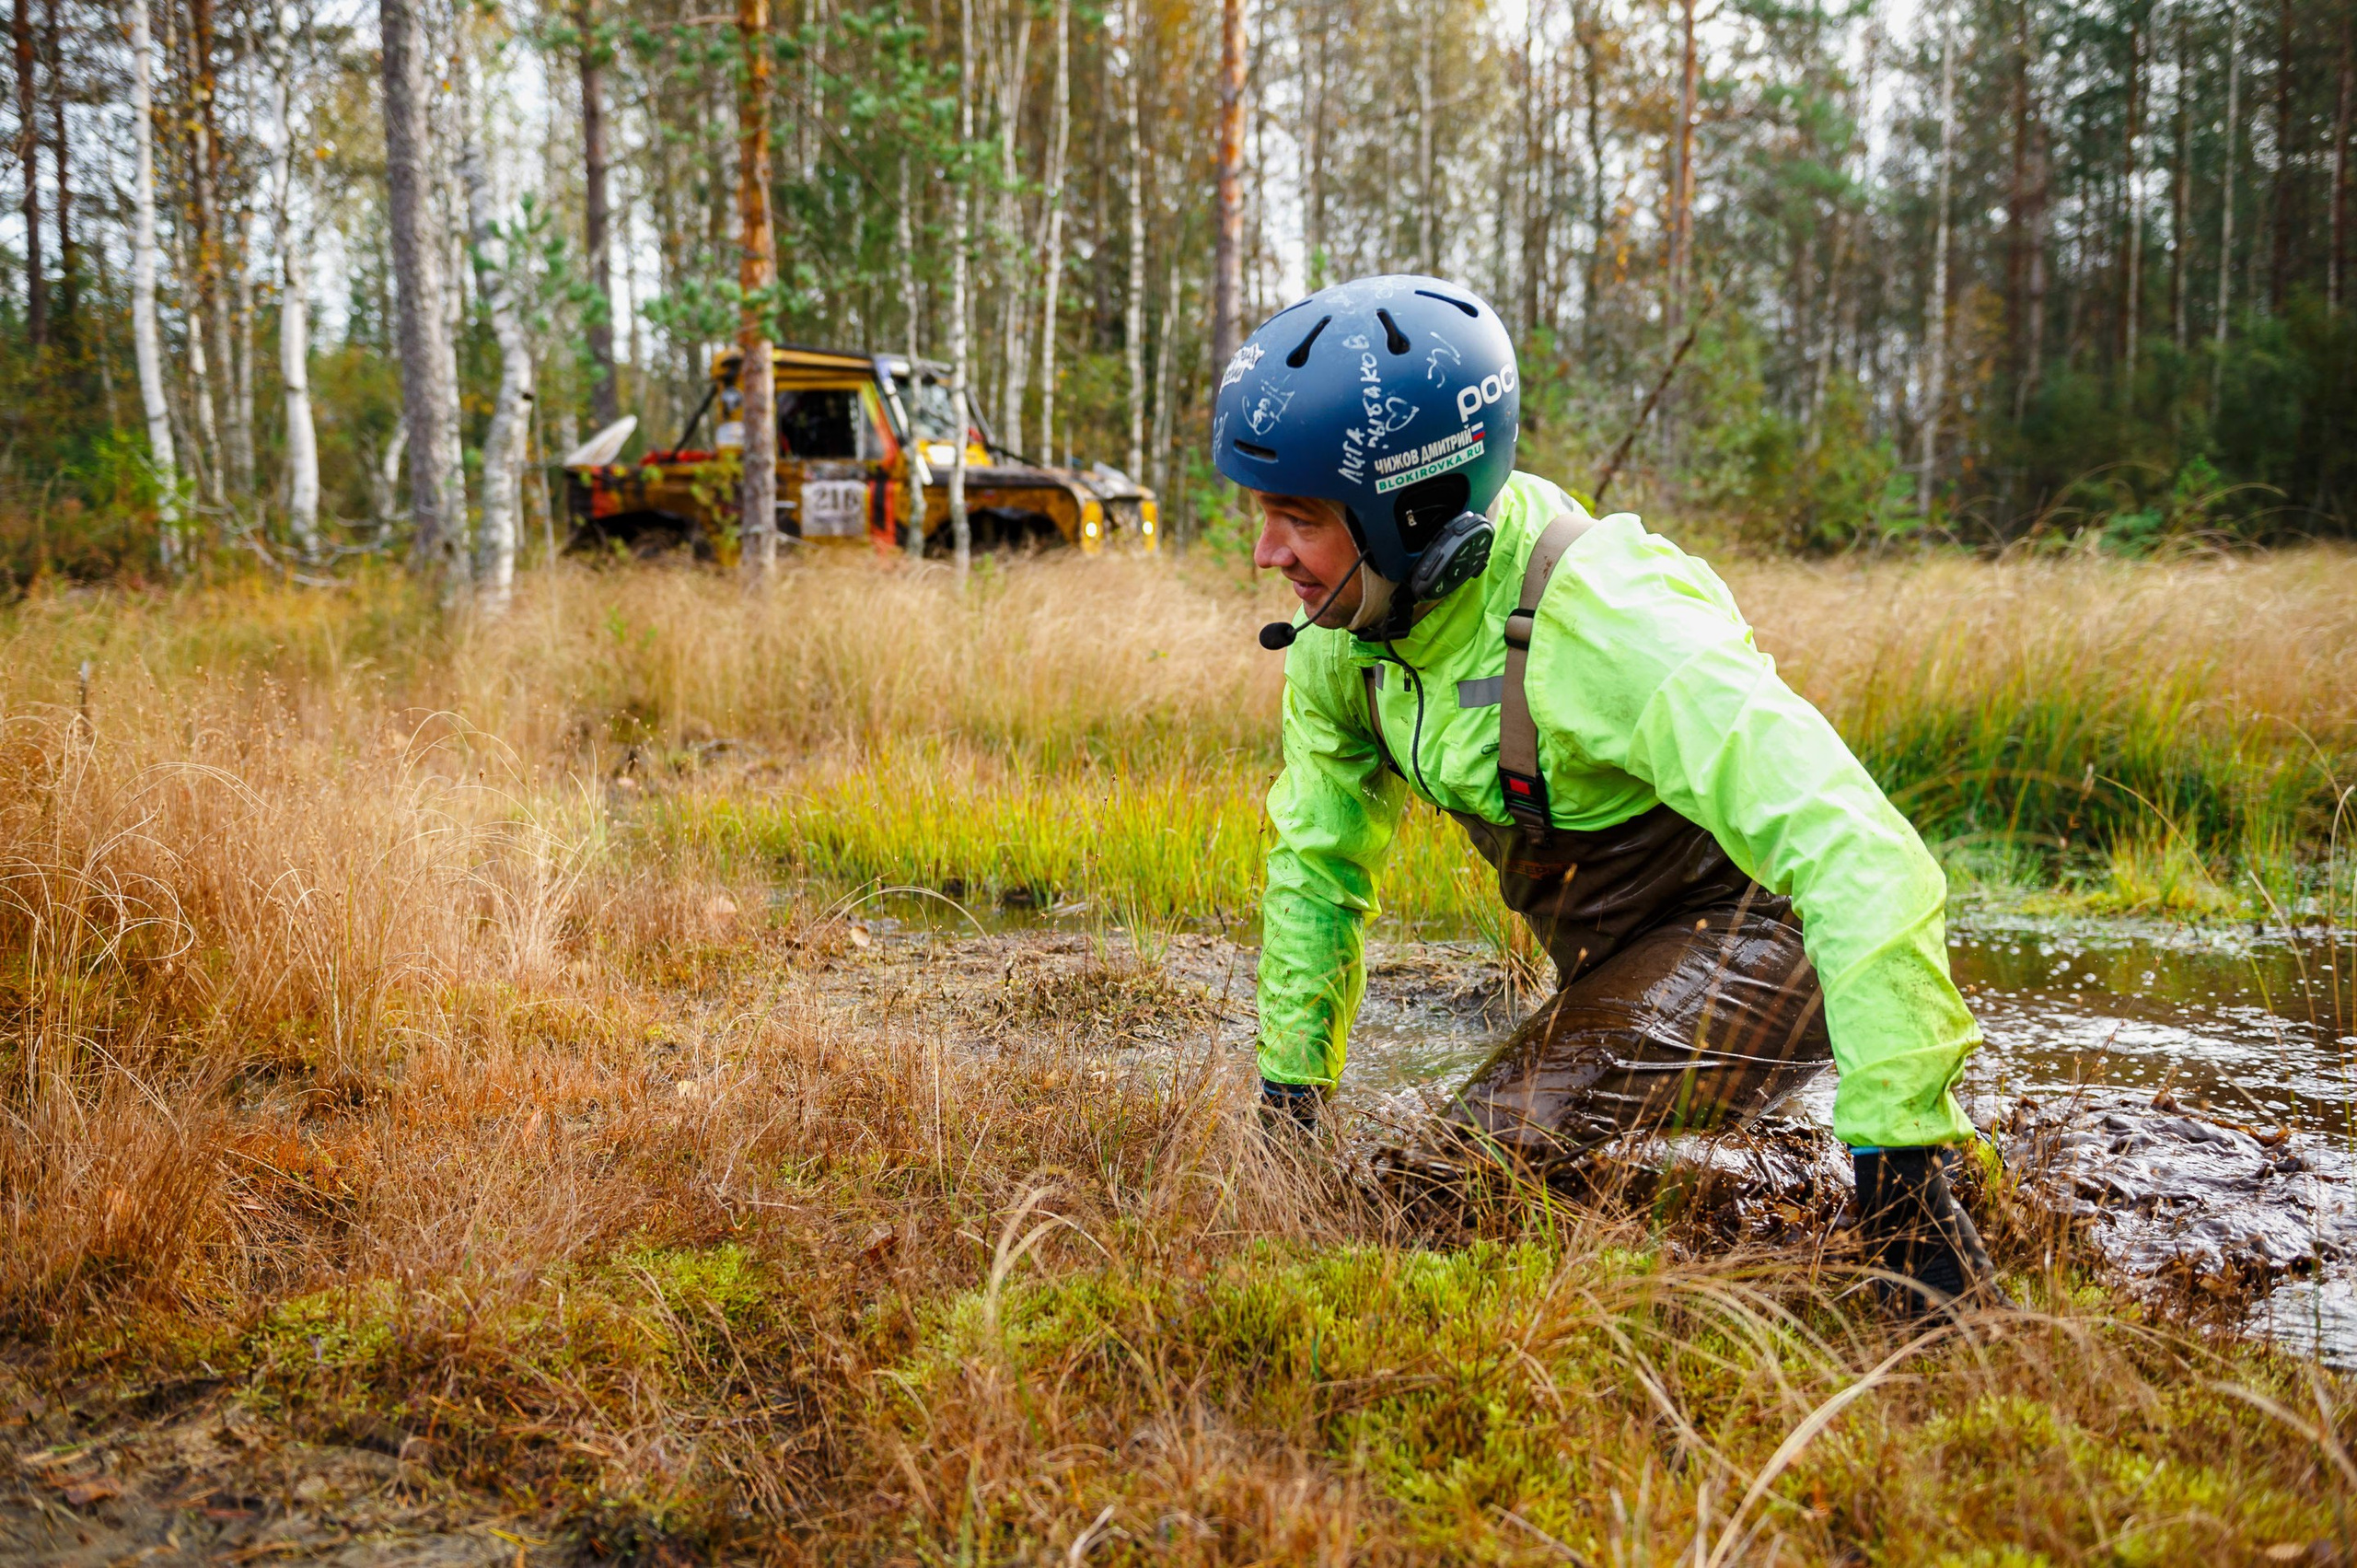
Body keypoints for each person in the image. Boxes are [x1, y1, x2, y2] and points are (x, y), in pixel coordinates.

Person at [1217, 274, 2003, 1315]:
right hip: (1628, 964)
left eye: (1297, 519)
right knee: (1455, 1151)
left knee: (1454, 1169)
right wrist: (1291, 1099)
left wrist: (1904, 1175)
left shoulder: (1607, 618)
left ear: (1409, 510)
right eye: (1264, 516)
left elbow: (1862, 853)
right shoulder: (1347, 632)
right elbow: (1315, 862)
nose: (1267, 554)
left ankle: (1936, 1162)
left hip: (1773, 935)